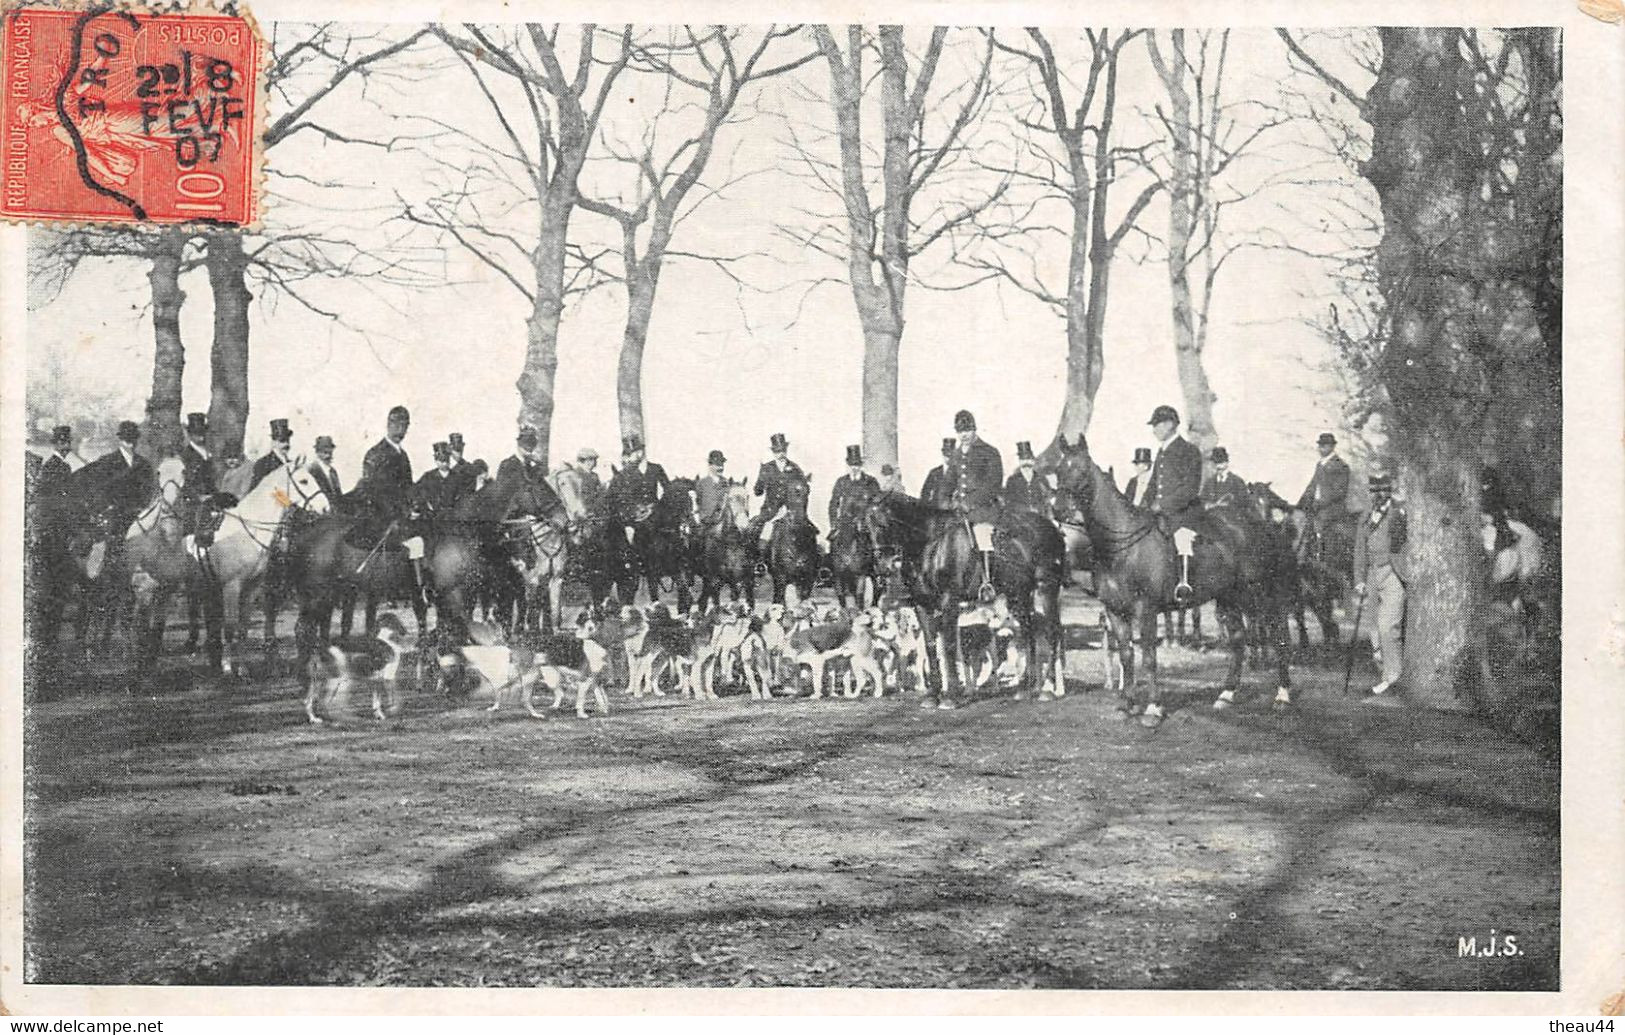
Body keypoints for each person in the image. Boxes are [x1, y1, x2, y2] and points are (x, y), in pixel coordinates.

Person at [1352, 470, 1409, 698]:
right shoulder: (1366, 515)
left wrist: (1396, 511)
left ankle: (1392, 677)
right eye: (1375, 490)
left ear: (1390, 490)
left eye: (1384, 489)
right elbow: (1359, 548)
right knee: (1374, 630)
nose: (1380, 494)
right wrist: (1359, 579)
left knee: (1388, 627)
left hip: (1393, 572)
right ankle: (1383, 673)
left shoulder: (1399, 512)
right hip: (1372, 575)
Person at [1145, 404, 1204, 602]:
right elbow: (1153, 486)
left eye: (1157, 425)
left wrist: (1163, 505)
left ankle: (1184, 583)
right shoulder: (1161, 452)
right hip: (1162, 513)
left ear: (1170, 424)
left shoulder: (1189, 450)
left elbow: (1190, 489)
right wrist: (1142, 508)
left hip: (1184, 512)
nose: (1154, 430)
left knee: (1182, 538)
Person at [945, 410, 1004, 597]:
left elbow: (993, 484)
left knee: (982, 535)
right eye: (960, 431)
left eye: (967, 430)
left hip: (982, 510)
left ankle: (987, 584)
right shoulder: (955, 455)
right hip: (958, 512)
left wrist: (970, 503)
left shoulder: (989, 452)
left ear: (974, 430)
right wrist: (944, 502)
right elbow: (947, 483)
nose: (964, 435)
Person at [749, 432, 809, 544]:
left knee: (808, 533)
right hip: (770, 511)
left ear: (786, 450)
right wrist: (761, 481)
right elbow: (758, 492)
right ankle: (760, 560)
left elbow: (803, 490)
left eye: (782, 450)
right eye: (777, 451)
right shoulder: (767, 468)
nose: (780, 454)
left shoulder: (795, 469)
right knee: (758, 534)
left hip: (791, 511)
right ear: (773, 452)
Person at [608, 433, 670, 541]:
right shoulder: (623, 474)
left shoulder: (656, 468)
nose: (628, 458)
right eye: (627, 454)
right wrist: (634, 509)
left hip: (656, 513)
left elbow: (668, 489)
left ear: (640, 453)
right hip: (635, 517)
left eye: (631, 454)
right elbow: (617, 498)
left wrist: (656, 505)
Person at [1297, 432, 1352, 544]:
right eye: (1320, 445)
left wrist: (1319, 503)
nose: (1320, 448)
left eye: (1324, 445)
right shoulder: (1320, 464)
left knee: (1320, 531)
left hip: (1332, 509)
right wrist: (1302, 503)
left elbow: (1339, 492)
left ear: (1332, 447)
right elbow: (1312, 485)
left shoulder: (1341, 466)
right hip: (1318, 507)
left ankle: (1319, 554)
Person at [828, 445, 880, 534]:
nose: (854, 468)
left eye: (857, 464)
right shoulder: (841, 482)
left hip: (866, 523)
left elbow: (878, 502)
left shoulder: (871, 481)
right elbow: (833, 503)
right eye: (852, 465)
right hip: (846, 522)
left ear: (861, 465)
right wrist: (834, 523)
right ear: (848, 465)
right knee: (838, 543)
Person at [1004, 440, 1048, 516]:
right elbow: (1009, 503)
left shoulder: (1041, 479)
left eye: (1028, 459)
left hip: (1039, 518)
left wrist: (1039, 509)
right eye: (1023, 460)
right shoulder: (1012, 481)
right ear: (1019, 462)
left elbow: (1047, 500)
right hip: (1020, 519)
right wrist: (1027, 510)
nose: (1026, 463)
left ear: (1032, 461)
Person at [415, 442, 457, 518]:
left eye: (446, 460)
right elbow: (416, 492)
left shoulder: (456, 477)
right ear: (436, 460)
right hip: (432, 517)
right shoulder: (428, 477)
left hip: (452, 517)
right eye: (440, 460)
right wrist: (426, 506)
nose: (444, 463)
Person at [250, 418, 294, 487]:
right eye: (282, 441)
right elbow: (258, 491)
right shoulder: (263, 464)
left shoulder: (291, 464)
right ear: (273, 442)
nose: (286, 444)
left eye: (288, 440)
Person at [693, 450, 731, 530]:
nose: (721, 467)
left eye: (722, 464)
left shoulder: (727, 483)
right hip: (705, 525)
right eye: (717, 465)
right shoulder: (702, 483)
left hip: (723, 526)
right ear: (710, 465)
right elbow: (697, 503)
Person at [920, 438, 955, 506]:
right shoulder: (934, 473)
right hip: (935, 511)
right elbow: (925, 493)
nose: (948, 458)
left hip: (951, 512)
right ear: (942, 453)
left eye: (951, 455)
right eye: (946, 455)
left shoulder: (959, 473)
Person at [308, 435, 343, 500]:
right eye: (325, 452)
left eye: (330, 452)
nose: (328, 455)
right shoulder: (312, 470)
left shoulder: (332, 471)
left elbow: (338, 494)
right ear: (317, 452)